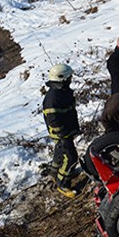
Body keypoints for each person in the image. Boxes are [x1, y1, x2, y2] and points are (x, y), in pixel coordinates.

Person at [42, 63, 81, 198]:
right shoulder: (54, 97)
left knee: (60, 151)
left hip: (66, 130)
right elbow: (53, 120)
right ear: (62, 78)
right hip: (61, 133)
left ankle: (55, 172)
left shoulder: (62, 92)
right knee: (70, 157)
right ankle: (63, 183)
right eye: (69, 77)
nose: (71, 79)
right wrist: (63, 133)